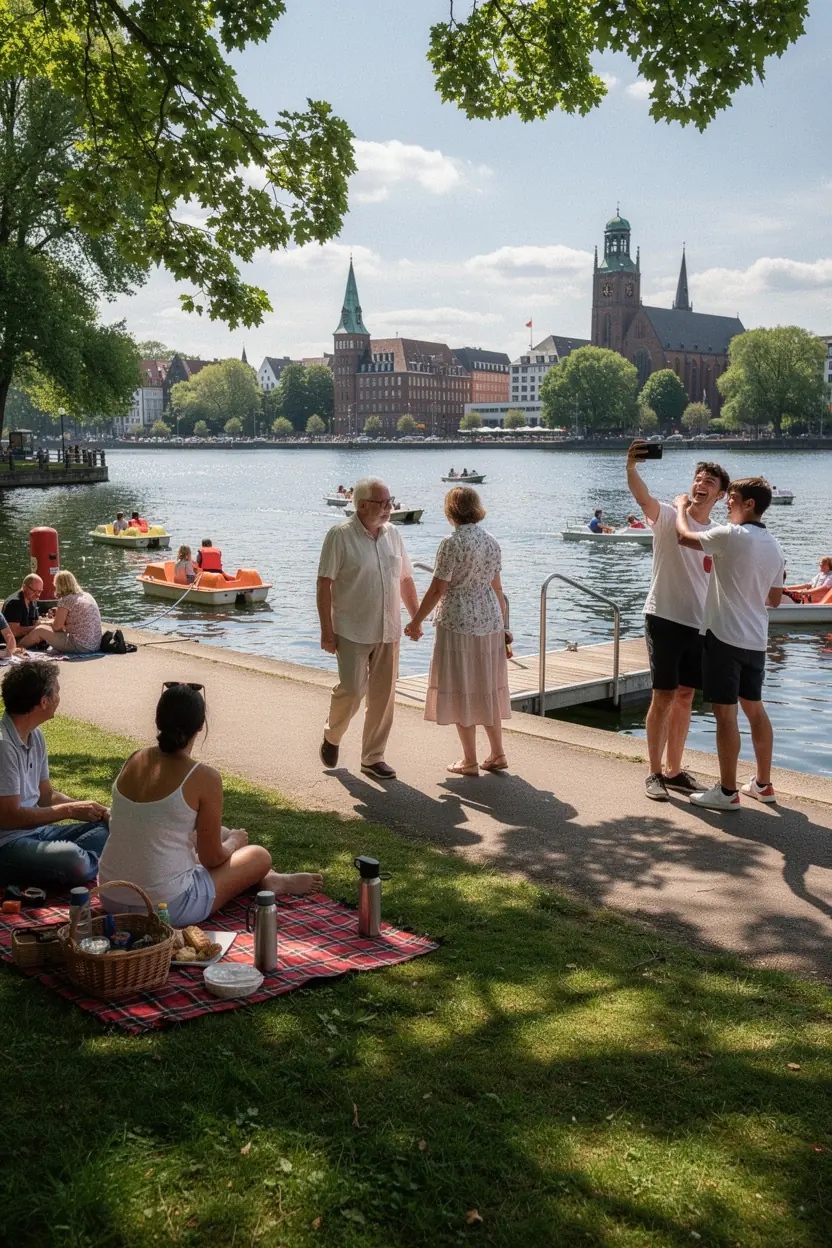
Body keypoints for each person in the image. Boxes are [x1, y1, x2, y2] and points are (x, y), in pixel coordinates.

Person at [98, 683, 322, 924]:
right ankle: (272, 879)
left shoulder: (135, 759)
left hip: (110, 896)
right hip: (166, 906)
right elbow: (211, 859)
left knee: (219, 831)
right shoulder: (204, 777)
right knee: (258, 855)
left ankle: (270, 878)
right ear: (200, 726)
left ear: (158, 721)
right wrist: (236, 841)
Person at [627, 444, 730, 801]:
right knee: (663, 696)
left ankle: (674, 772)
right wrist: (631, 467)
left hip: (699, 624)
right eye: (698, 478)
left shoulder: (718, 533)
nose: (701, 483)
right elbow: (642, 499)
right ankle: (653, 773)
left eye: (709, 481)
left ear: (720, 494)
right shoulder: (670, 516)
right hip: (663, 616)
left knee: (685, 696)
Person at [675, 477, 785, 811]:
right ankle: (763, 786)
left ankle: (726, 792)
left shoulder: (729, 535)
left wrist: (681, 506)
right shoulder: (775, 546)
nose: (727, 503)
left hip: (724, 637)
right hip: (755, 639)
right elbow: (776, 599)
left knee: (726, 715)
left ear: (749, 503)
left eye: (732, 498)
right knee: (755, 708)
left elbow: (682, 535)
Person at [317, 476, 419, 779]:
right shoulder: (340, 535)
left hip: (389, 629)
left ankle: (373, 758)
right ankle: (332, 735)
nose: (390, 507)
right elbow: (324, 584)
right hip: (351, 627)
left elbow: (405, 579)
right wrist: (326, 629)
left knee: (383, 696)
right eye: (383, 503)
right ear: (362, 506)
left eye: (390, 501)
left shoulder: (393, 534)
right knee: (352, 689)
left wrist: (415, 617)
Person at [404, 487, 511, 775]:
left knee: (463, 687)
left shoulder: (451, 543)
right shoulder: (491, 542)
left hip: (459, 621)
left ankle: (470, 760)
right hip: (489, 619)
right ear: (476, 508)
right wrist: (504, 626)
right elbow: (497, 587)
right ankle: (498, 753)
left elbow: (439, 588)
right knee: (485, 687)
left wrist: (416, 621)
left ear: (451, 511)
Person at [0, 662, 110, 887]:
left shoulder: (35, 735)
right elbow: (9, 817)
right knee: (71, 859)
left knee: (107, 829)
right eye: (57, 692)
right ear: (43, 701)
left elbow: (46, 795)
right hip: (8, 844)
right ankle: (93, 865)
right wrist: (68, 810)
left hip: (39, 833)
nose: (59, 698)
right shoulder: (4, 746)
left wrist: (93, 809)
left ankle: (86, 864)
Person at [18, 571, 102, 654]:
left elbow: (56, 627)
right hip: (95, 644)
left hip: (80, 646)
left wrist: (43, 623)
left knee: (39, 630)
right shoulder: (87, 595)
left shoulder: (65, 600)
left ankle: (16, 647)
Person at [3, 574, 42, 640]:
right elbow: (13, 632)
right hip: (13, 642)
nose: (37, 595)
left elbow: (35, 621)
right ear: (24, 587)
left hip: (26, 637)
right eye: (34, 591)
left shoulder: (32, 599)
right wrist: (37, 629)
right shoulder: (14, 603)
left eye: (40, 591)